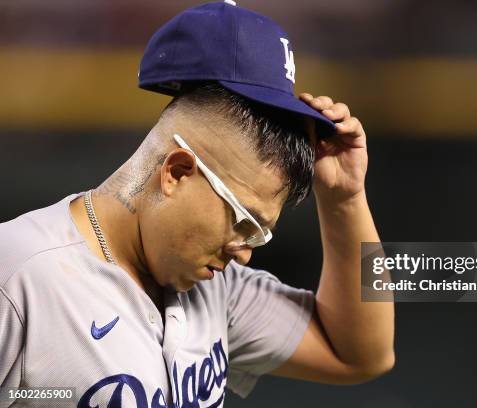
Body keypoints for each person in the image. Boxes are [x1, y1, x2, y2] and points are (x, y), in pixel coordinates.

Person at [0, 2, 394, 406]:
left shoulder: (216, 290)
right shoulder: (17, 275)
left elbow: (360, 354)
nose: (243, 256)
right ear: (177, 172)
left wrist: (345, 198)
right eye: (243, 222)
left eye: (257, 235)